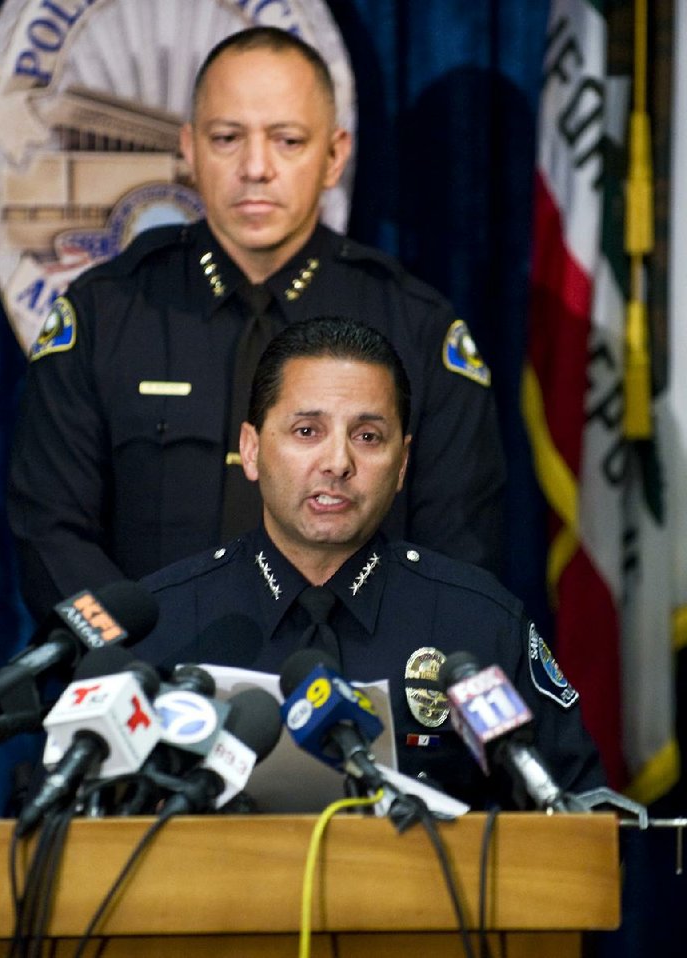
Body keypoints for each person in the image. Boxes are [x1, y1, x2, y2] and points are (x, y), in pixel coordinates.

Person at [8, 26, 506, 623]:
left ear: (334, 155)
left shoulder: (415, 326)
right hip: (143, 690)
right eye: (227, 138)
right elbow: (50, 535)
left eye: (288, 140)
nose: (255, 167)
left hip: (356, 692)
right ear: (189, 150)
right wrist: (142, 679)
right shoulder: (104, 313)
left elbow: (459, 548)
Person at [135, 317, 604, 809]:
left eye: (367, 437)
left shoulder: (479, 626)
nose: (338, 462)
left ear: (401, 464)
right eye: (307, 430)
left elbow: (582, 818)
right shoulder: (166, 625)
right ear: (251, 451)